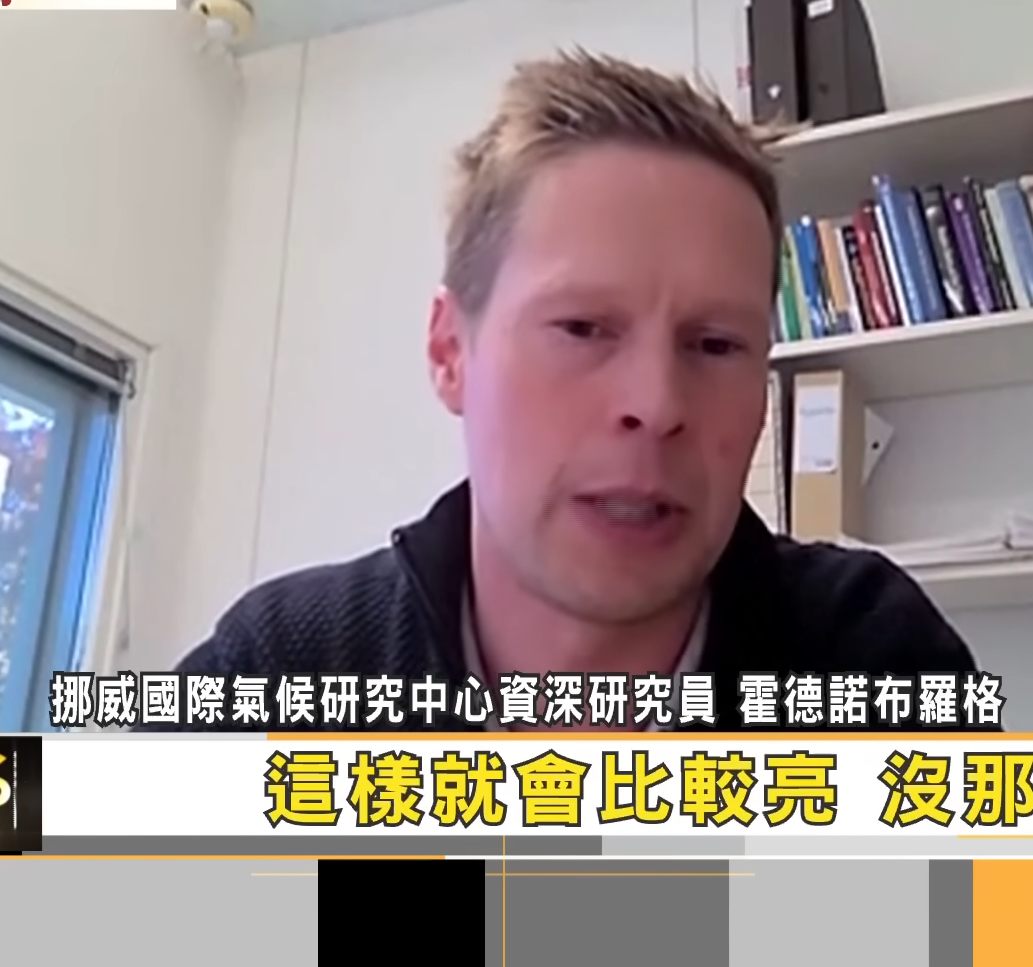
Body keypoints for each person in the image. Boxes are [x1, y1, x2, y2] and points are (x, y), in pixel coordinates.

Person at [147, 49, 985, 732]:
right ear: (450, 352)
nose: (658, 405)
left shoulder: (872, 663)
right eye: (583, 328)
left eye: (716, 344)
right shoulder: (282, 673)